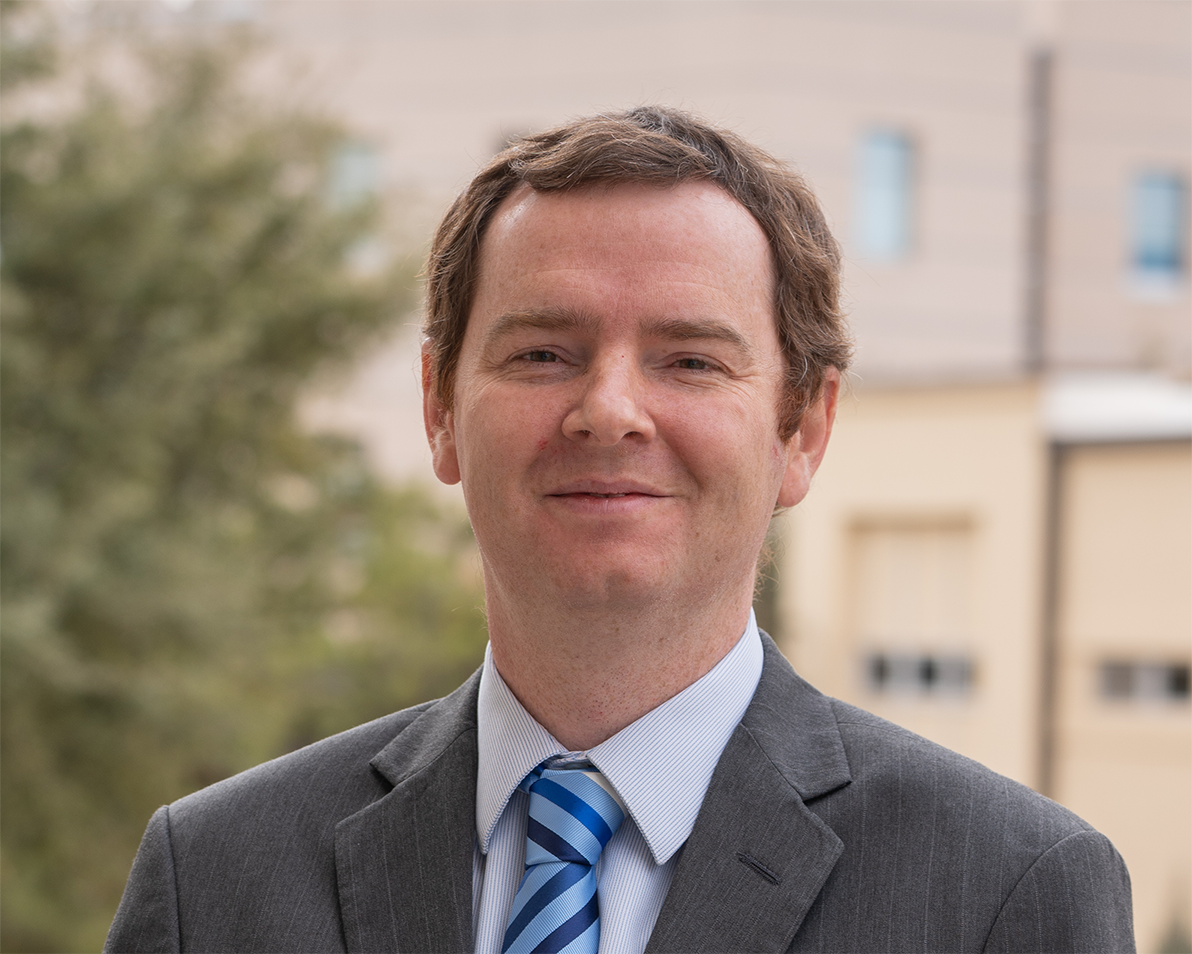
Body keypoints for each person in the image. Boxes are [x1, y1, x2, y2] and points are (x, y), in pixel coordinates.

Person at [104, 106, 1135, 954]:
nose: (608, 411)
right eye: (543, 354)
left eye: (690, 361)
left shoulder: (1008, 894)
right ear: (438, 408)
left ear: (804, 429)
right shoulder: (215, 880)